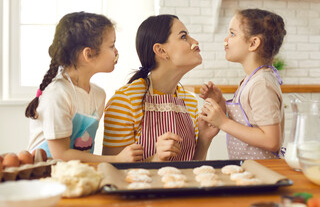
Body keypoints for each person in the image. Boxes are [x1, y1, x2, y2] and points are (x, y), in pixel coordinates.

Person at [26, 11, 143, 162]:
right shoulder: (57, 95)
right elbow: (61, 155)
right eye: (111, 45)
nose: (116, 52)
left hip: (76, 174)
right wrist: (117, 159)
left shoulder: (99, 95)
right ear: (88, 54)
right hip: (47, 177)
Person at [103, 14, 219, 161]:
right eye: (183, 37)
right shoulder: (125, 102)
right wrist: (155, 159)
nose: (195, 42)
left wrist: (204, 138)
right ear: (161, 51)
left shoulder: (189, 101)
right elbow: (112, 172)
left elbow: (193, 168)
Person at [199, 8, 286, 160]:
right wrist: (220, 103)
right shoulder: (251, 80)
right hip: (251, 170)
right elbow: (246, 123)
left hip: (263, 174)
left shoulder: (262, 84)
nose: (225, 40)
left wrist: (223, 123)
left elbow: (272, 141)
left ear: (253, 43)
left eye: (232, 34)